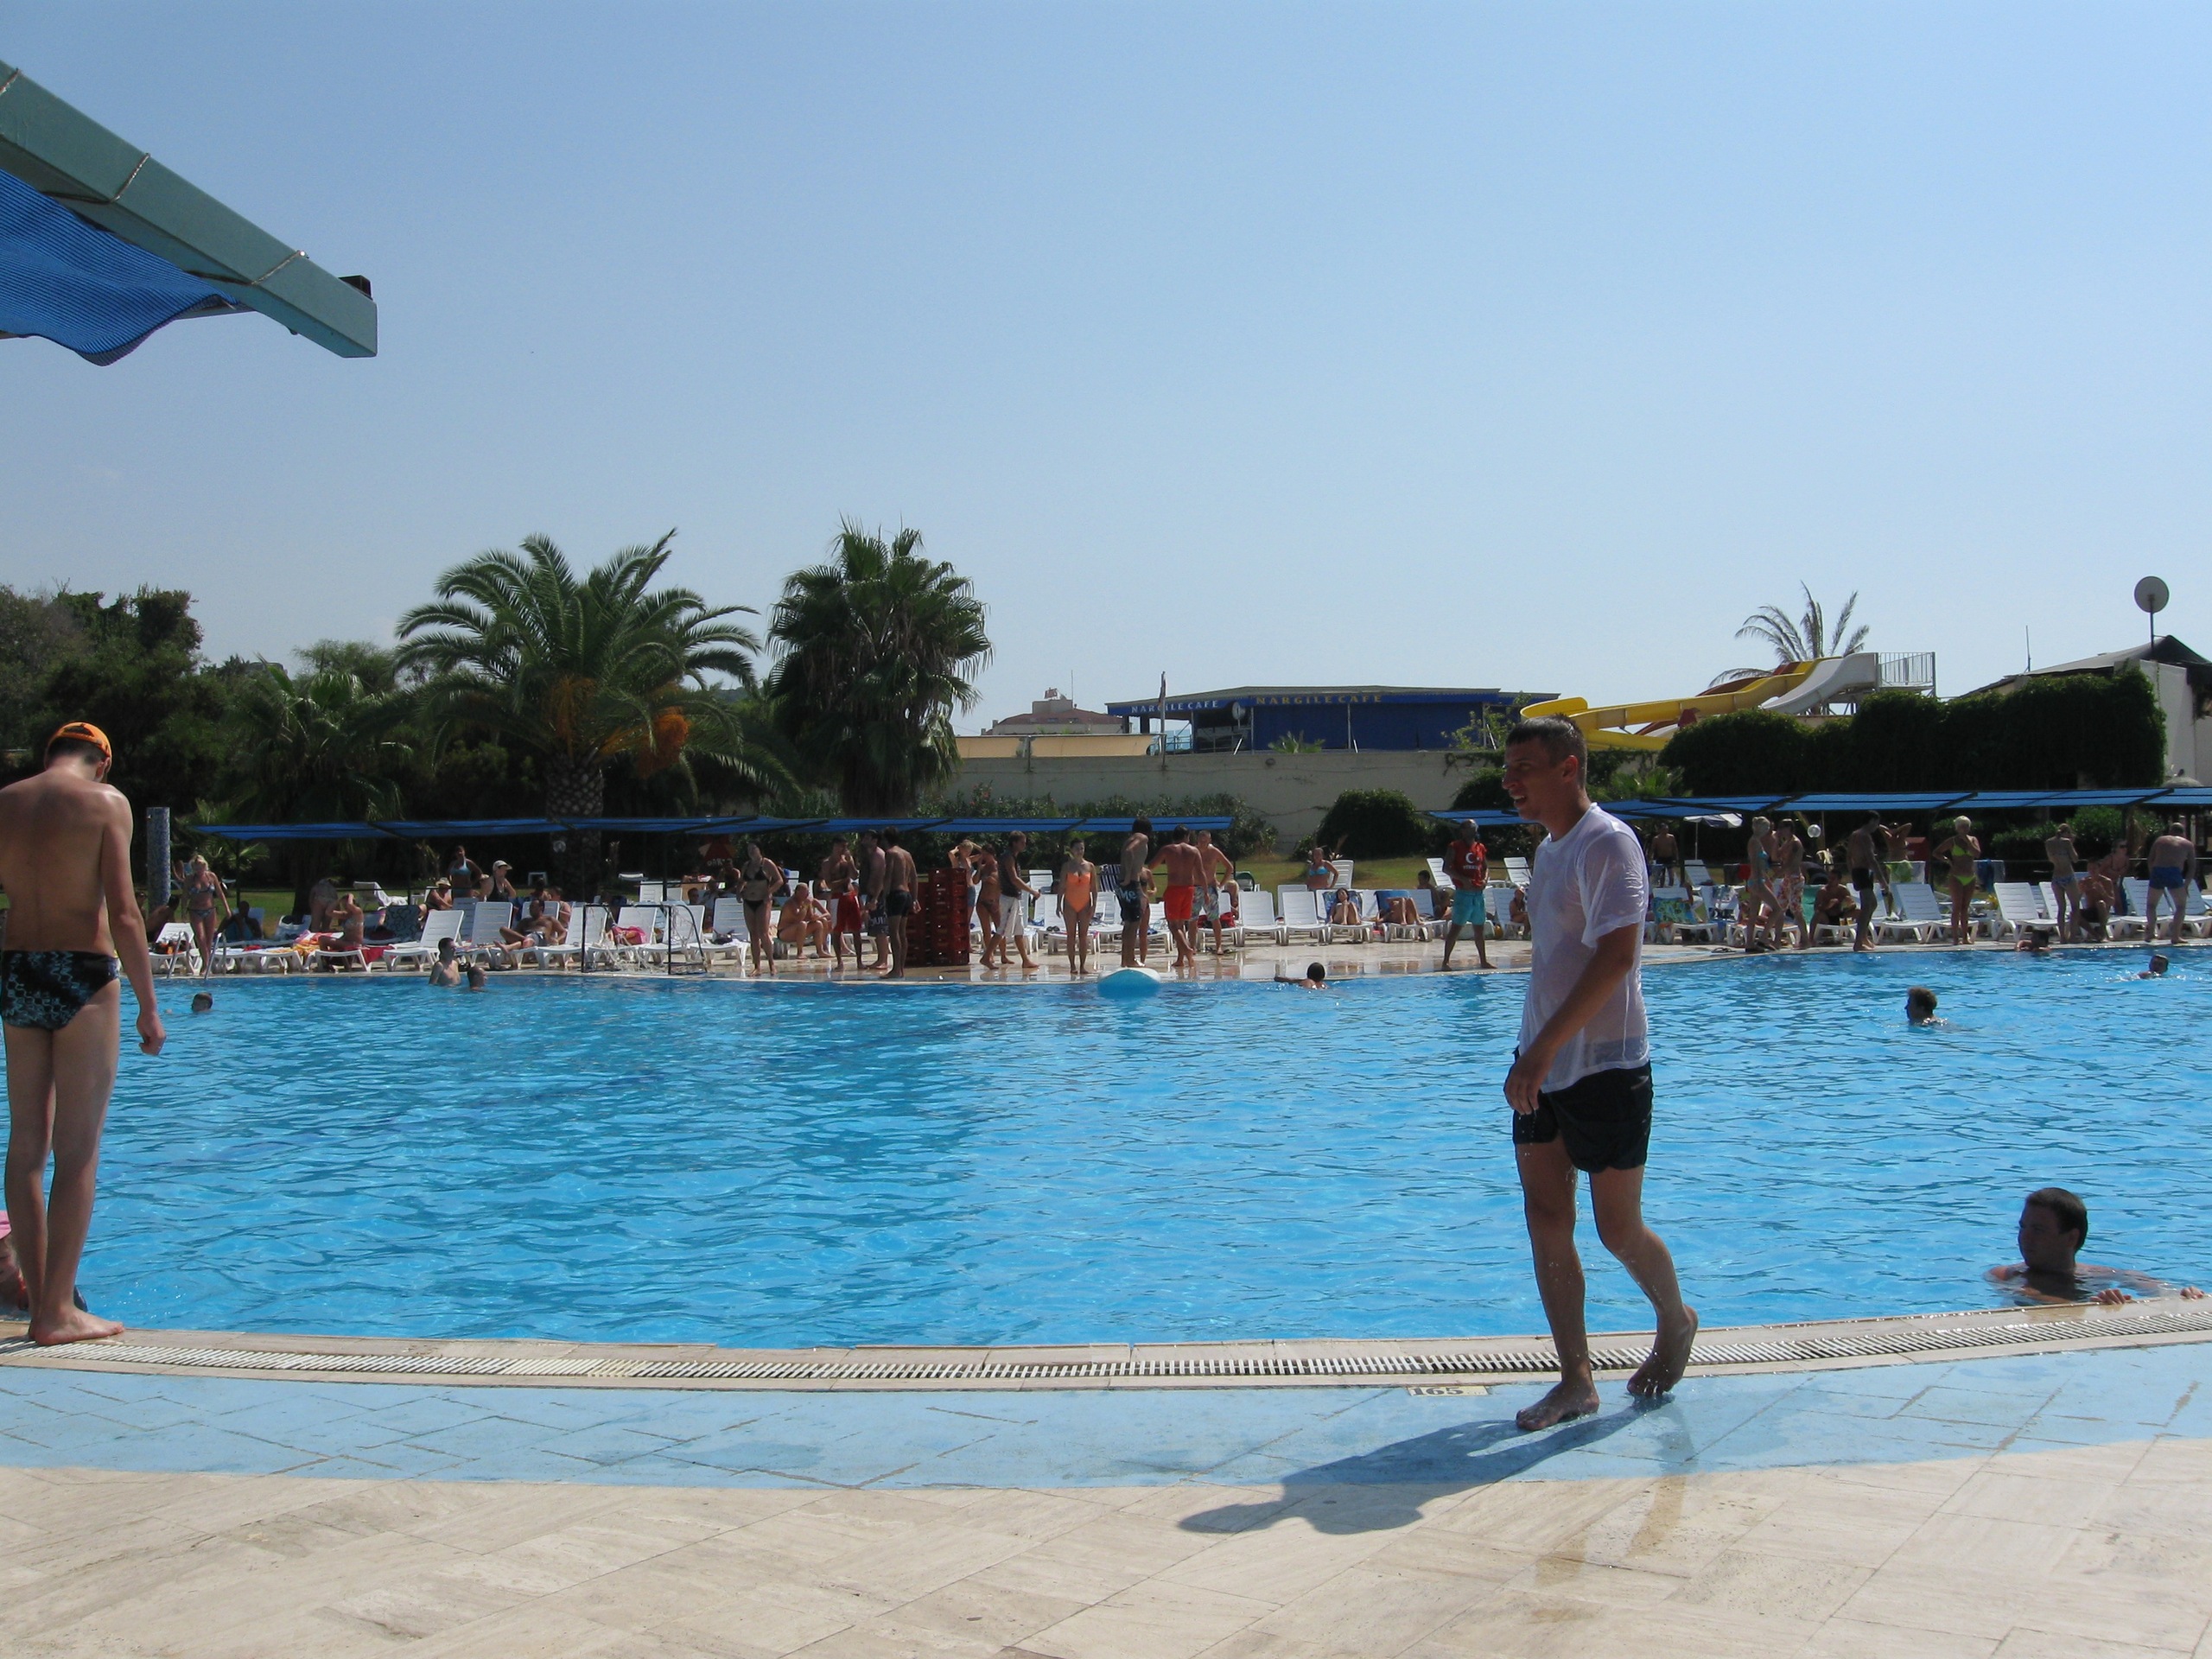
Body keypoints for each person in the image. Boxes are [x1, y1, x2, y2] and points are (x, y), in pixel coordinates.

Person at [1499, 715, 1695, 1430]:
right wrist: (1535, 1052)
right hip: (1541, 1060)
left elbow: (1617, 957)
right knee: (1546, 1217)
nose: (1511, 783)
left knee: (1617, 1229)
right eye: (1507, 771)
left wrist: (1544, 1051)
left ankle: (1675, 1319)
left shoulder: (1608, 842)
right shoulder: (1550, 849)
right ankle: (1575, 1380)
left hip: (1605, 1065)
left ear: (1569, 768)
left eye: (1524, 768)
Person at [0, 722, 165, 1345]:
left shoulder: (6, 802)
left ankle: (40, 1301)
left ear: (50, 756)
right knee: (78, 1150)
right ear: (102, 762)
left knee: (26, 1146)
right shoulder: (106, 802)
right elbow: (124, 912)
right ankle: (57, 1313)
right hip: (83, 975)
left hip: (18, 971)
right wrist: (149, 1006)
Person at [1988, 1187, 2204, 1306]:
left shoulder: (2100, 1274)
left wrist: (2183, 1295)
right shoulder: (2005, 1276)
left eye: (2038, 1230)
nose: (2024, 1237)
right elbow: (2031, 1296)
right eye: (2023, 1227)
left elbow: (2158, 1289)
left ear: (2071, 1238)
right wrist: (2095, 1307)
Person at [1441, 820, 1492, 971]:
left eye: (1474, 827)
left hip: (1478, 894)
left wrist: (1485, 880)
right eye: (1470, 827)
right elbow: (1446, 868)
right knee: (1456, 928)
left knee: (1479, 929)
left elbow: (1485, 867)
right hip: (1464, 894)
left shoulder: (1480, 847)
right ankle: (1445, 962)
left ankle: (1483, 961)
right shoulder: (1455, 846)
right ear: (1463, 830)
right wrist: (1462, 879)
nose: (1473, 830)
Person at [1154, 827, 1205, 970]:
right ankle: (1181, 959)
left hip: (1174, 889)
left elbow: (1152, 865)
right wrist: (1206, 892)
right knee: (1181, 925)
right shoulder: (1194, 851)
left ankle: (1188, 949)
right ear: (1186, 836)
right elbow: (1201, 872)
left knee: (1173, 925)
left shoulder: (1168, 849)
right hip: (1189, 889)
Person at [2143, 820, 2196, 948]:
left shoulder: (2160, 840)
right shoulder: (2187, 844)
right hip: (2174, 872)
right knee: (2181, 906)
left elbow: (2150, 859)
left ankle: (2151, 933)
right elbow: (2192, 867)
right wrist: (2186, 885)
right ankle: (2175, 936)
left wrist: (2153, 874)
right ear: (2183, 833)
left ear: (2170, 832)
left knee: (2151, 905)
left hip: (2158, 870)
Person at [1846, 812, 1890, 953]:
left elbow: (1848, 856)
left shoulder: (1854, 835)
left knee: (1873, 904)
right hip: (1863, 872)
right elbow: (1871, 859)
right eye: (1876, 823)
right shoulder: (1865, 836)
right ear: (1871, 821)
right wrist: (1883, 881)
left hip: (1858, 871)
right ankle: (1858, 942)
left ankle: (1863, 936)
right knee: (1866, 907)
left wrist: (1852, 872)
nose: (1877, 826)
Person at [1933, 817, 1980, 945]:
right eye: (1962, 826)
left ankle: (1965, 937)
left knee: (1965, 907)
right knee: (1957, 907)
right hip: (1956, 876)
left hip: (1970, 876)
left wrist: (1967, 841)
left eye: (1967, 826)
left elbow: (1977, 854)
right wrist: (1947, 860)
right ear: (1957, 828)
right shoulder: (1952, 841)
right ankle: (1955, 937)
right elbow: (1936, 852)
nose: (1965, 829)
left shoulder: (1973, 840)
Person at [179, 854, 227, 978]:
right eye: (196, 867)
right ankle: (207, 965)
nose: (198, 869)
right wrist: (183, 911)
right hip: (195, 911)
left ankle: (205, 966)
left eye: (200, 866)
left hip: (210, 910)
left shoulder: (211, 876)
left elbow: (220, 893)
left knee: (209, 940)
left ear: (205, 866)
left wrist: (227, 908)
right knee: (200, 938)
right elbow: (185, 896)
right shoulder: (190, 879)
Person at [738, 842, 781, 977]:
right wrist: (739, 892)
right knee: (753, 934)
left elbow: (779, 880)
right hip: (748, 901)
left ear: (759, 849)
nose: (751, 851)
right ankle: (757, 966)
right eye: (748, 849)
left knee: (763, 933)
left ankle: (771, 964)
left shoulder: (767, 864)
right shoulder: (746, 866)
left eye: (753, 848)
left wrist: (769, 892)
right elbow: (741, 881)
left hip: (763, 901)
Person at [821, 837, 864, 968]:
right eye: (842, 846)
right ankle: (840, 961)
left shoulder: (847, 860)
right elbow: (829, 884)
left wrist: (850, 862)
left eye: (846, 847)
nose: (844, 849)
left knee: (856, 929)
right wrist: (843, 881)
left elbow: (855, 875)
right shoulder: (828, 863)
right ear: (835, 846)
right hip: (837, 897)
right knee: (837, 930)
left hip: (850, 895)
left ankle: (859, 961)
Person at [1059, 837, 1098, 976]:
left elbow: (1094, 888)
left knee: (1083, 936)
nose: (1079, 851)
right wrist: (1058, 904)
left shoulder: (1090, 866)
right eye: (1077, 848)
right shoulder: (1067, 866)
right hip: (1070, 903)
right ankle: (1072, 965)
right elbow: (1062, 886)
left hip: (1085, 904)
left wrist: (1094, 905)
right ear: (1071, 850)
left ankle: (1082, 965)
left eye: (1082, 848)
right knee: (1071, 935)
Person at [1000, 832, 1039, 971]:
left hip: (1014, 898)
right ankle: (987, 956)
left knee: (1019, 930)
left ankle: (1025, 960)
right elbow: (1014, 879)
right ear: (1014, 843)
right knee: (1001, 931)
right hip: (1008, 898)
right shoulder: (1008, 857)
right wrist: (1032, 891)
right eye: (1022, 842)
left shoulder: (1012, 857)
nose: (1024, 845)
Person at [880, 828, 916, 979]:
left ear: (886, 839)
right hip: (907, 894)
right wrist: (915, 898)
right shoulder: (907, 854)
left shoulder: (890, 853)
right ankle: (901, 969)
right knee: (902, 932)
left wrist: (883, 896)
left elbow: (888, 876)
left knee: (894, 932)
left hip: (895, 894)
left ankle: (896, 969)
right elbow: (914, 877)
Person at [1117, 818, 1153, 969]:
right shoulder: (1142, 837)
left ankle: (1125, 960)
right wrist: (1128, 876)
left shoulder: (1129, 839)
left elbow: (1127, 851)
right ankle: (1131, 959)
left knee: (1128, 923)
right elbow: (1129, 851)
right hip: (1131, 883)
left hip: (1122, 885)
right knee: (1135, 923)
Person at [1770, 818, 1809, 950]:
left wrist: (1774, 876)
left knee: (1796, 910)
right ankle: (1777, 941)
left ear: (1789, 829)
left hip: (1795, 879)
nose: (1780, 830)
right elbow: (1775, 857)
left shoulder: (1795, 843)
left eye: (1783, 828)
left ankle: (1806, 940)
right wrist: (1776, 840)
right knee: (1779, 909)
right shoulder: (1786, 843)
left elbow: (1788, 864)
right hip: (1787, 879)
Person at [1740, 817, 1777, 951]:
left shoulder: (1756, 841)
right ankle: (1763, 938)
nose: (1768, 830)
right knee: (1777, 909)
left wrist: (1766, 878)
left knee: (1754, 914)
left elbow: (1760, 865)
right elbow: (1755, 863)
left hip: (1757, 880)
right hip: (1756, 881)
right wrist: (1759, 881)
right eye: (1766, 828)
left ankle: (1750, 943)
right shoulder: (1754, 842)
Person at [2044, 821, 2082, 944]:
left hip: (2056, 876)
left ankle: (2062, 937)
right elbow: (2075, 859)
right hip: (2068, 875)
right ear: (2066, 833)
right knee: (2075, 906)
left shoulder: (2048, 843)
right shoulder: (2067, 842)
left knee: (2061, 908)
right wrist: (2072, 843)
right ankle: (2072, 936)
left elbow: (2051, 860)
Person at [860, 829, 890, 970]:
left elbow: (881, 878)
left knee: (881, 929)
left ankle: (883, 960)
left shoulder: (878, 855)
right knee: (876, 929)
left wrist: (876, 898)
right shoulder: (869, 855)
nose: (864, 840)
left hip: (879, 896)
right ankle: (880, 959)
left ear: (874, 840)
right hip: (872, 895)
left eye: (867, 838)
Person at [776, 881, 830, 957]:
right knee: (802, 924)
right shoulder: (791, 903)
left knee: (818, 924)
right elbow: (798, 919)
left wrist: (817, 917)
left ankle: (821, 951)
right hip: (785, 932)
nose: (806, 895)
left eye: (807, 893)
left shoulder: (809, 901)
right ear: (797, 893)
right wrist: (805, 906)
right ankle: (800, 952)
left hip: (800, 930)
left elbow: (825, 915)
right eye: (804, 893)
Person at [1810, 868, 1855, 937]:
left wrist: (1850, 905)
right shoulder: (1823, 891)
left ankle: (1862, 935)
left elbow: (1853, 906)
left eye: (1833, 879)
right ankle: (1810, 937)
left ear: (1839, 880)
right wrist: (1828, 905)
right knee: (1818, 915)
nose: (1830, 880)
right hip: (1827, 918)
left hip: (1841, 917)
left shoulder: (1843, 890)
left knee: (1858, 912)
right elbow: (1816, 908)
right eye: (1829, 878)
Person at [2078, 867, 2115, 943]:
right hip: (2090, 911)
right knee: (2074, 913)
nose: (2092, 871)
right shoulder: (2084, 882)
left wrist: (2102, 892)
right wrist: (2081, 892)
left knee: (2100, 903)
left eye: (2094, 868)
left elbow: (2112, 902)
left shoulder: (2106, 881)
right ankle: (2096, 935)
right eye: (2090, 869)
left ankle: (2103, 934)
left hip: (2103, 912)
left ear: (2099, 869)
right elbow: (2075, 901)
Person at [1646, 823, 1686, 893]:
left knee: (1671, 875)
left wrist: (1676, 858)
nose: (1666, 831)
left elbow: (1675, 848)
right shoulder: (1656, 839)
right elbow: (1652, 849)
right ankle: (1662, 889)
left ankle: (1671, 888)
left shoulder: (1671, 837)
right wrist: (1650, 858)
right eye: (1664, 829)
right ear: (1660, 830)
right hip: (1660, 858)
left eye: (1667, 829)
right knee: (1662, 875)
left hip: (1669, 858)